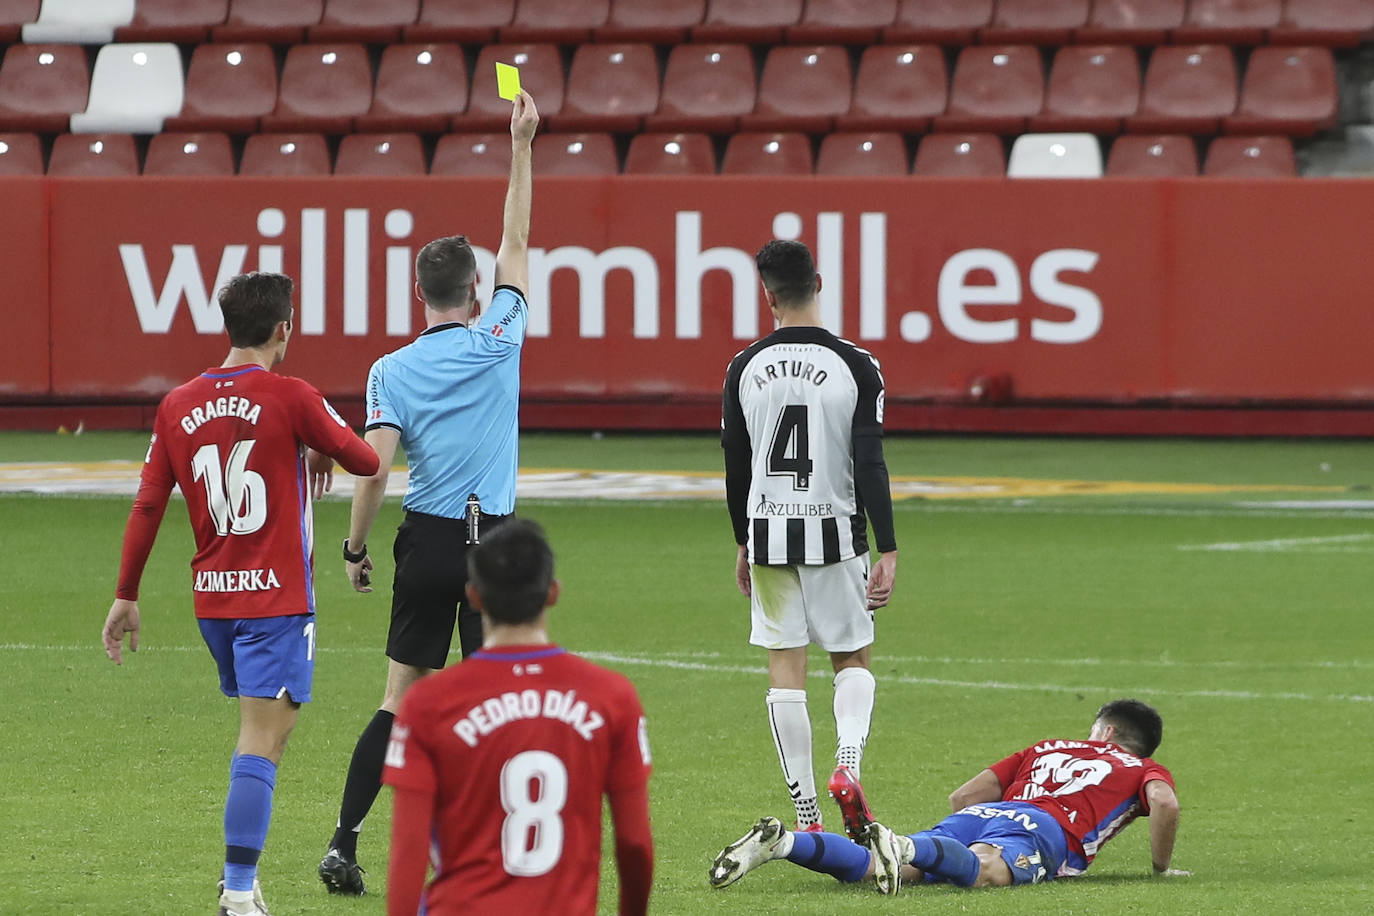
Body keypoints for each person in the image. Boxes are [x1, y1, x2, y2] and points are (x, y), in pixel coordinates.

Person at [100, 271, 381, 916]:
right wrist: (320, 447)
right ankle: (235, 891)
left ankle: (242, 882)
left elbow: (148, 503)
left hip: (215, 602)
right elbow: (366, 459)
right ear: (285, 328)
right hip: (276, 602)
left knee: (263, 737)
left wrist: (126, 593)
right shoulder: (292, 396)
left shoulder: (176, 405)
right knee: (260, 742)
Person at [318, 89, 540, 895]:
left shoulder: (390, 371)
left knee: (398, 702)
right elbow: (517, 233)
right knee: (493, 706)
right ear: (477, 292)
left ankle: (344, 839)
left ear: (421, 296)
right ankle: (488, 851)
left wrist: (352, 547)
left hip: (429, 541)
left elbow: (373, 467)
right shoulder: (502, 335)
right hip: (497, 548)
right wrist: (520, 146)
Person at [382, 518, 654, 915]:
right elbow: (635, 844)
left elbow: (409, 849)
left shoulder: (428, 703)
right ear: (553, 593)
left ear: (474, 597)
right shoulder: (611, 697)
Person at [720, 238, 899, 833]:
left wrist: (743, 538)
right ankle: (847, 764)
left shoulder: (744, 367)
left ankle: (806, 812)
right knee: (851, 656)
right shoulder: (856, 365)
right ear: (818, 283)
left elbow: (737, 466)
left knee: (784, 664)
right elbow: (869, 463)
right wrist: (889, 547)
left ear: (767, 295)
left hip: (769, 534)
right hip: (835, 534)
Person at [709, 698, 1189, 895]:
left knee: (880, 869)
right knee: (984, 871)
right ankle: (906, 848)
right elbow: (1165, 803)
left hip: (986, 811)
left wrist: (964, 833)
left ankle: (784, 843)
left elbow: (964, 795)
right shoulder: (1141, 766)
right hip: (1045, 828)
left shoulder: (1044, 748)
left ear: (1103, 729)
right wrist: (1162, 868)